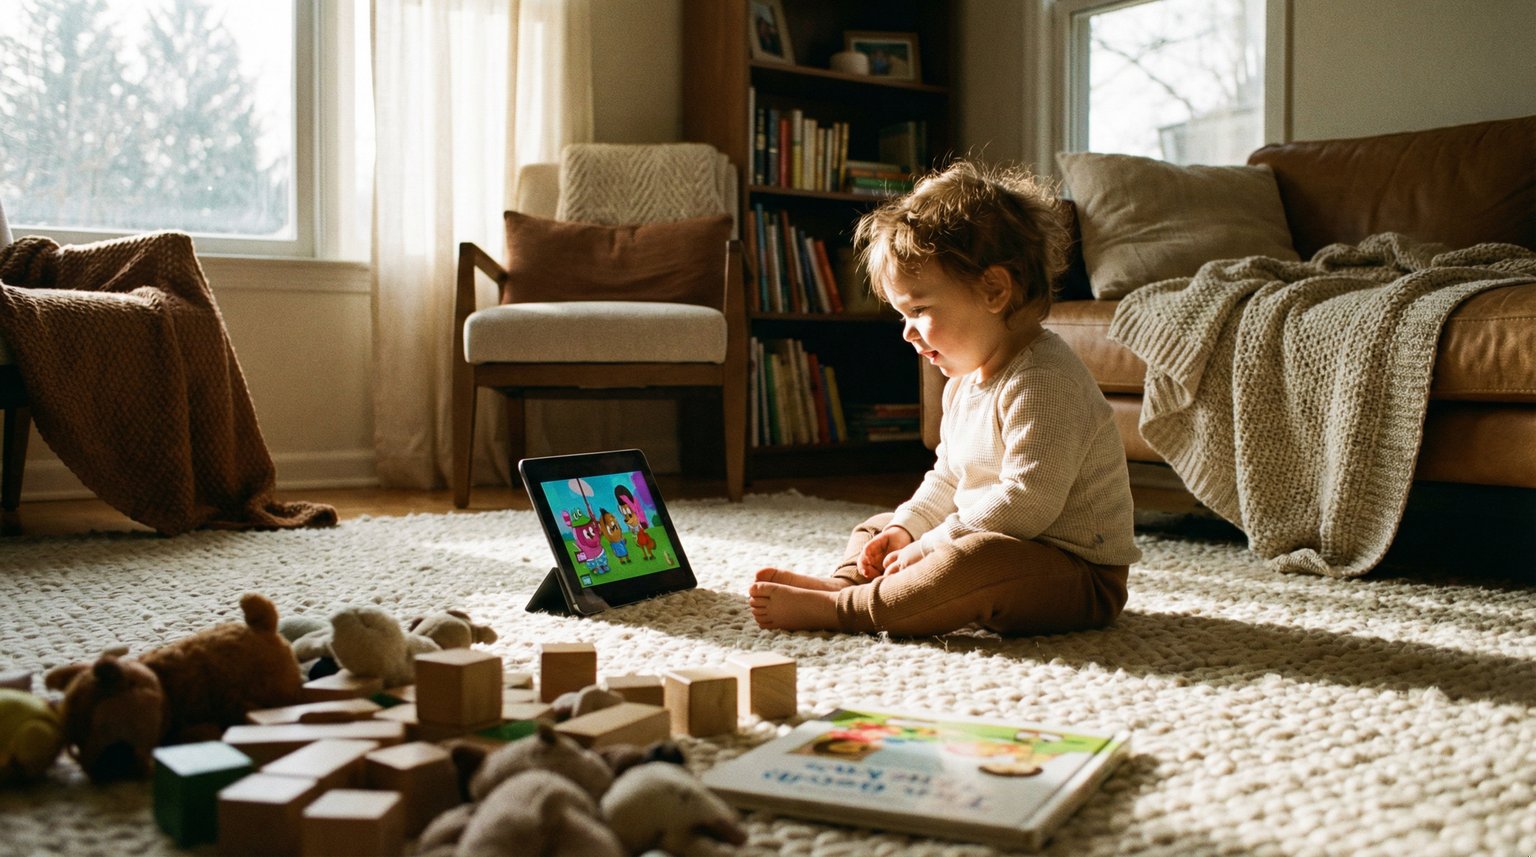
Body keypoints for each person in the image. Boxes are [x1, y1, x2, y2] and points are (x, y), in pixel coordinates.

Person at [747, 160, 1139, 637]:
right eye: (901, 315)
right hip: (994, 542)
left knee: (974, 559)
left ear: (994, 290)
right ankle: (844, 584)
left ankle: (847, 610)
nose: (907, 332)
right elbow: (948, 478)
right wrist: (908, 530)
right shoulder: (963, 384)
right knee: (878, 527)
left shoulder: (1044, 381)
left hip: (1076, 573)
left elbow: (1027, 502)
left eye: (919, 309)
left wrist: (933, 544)